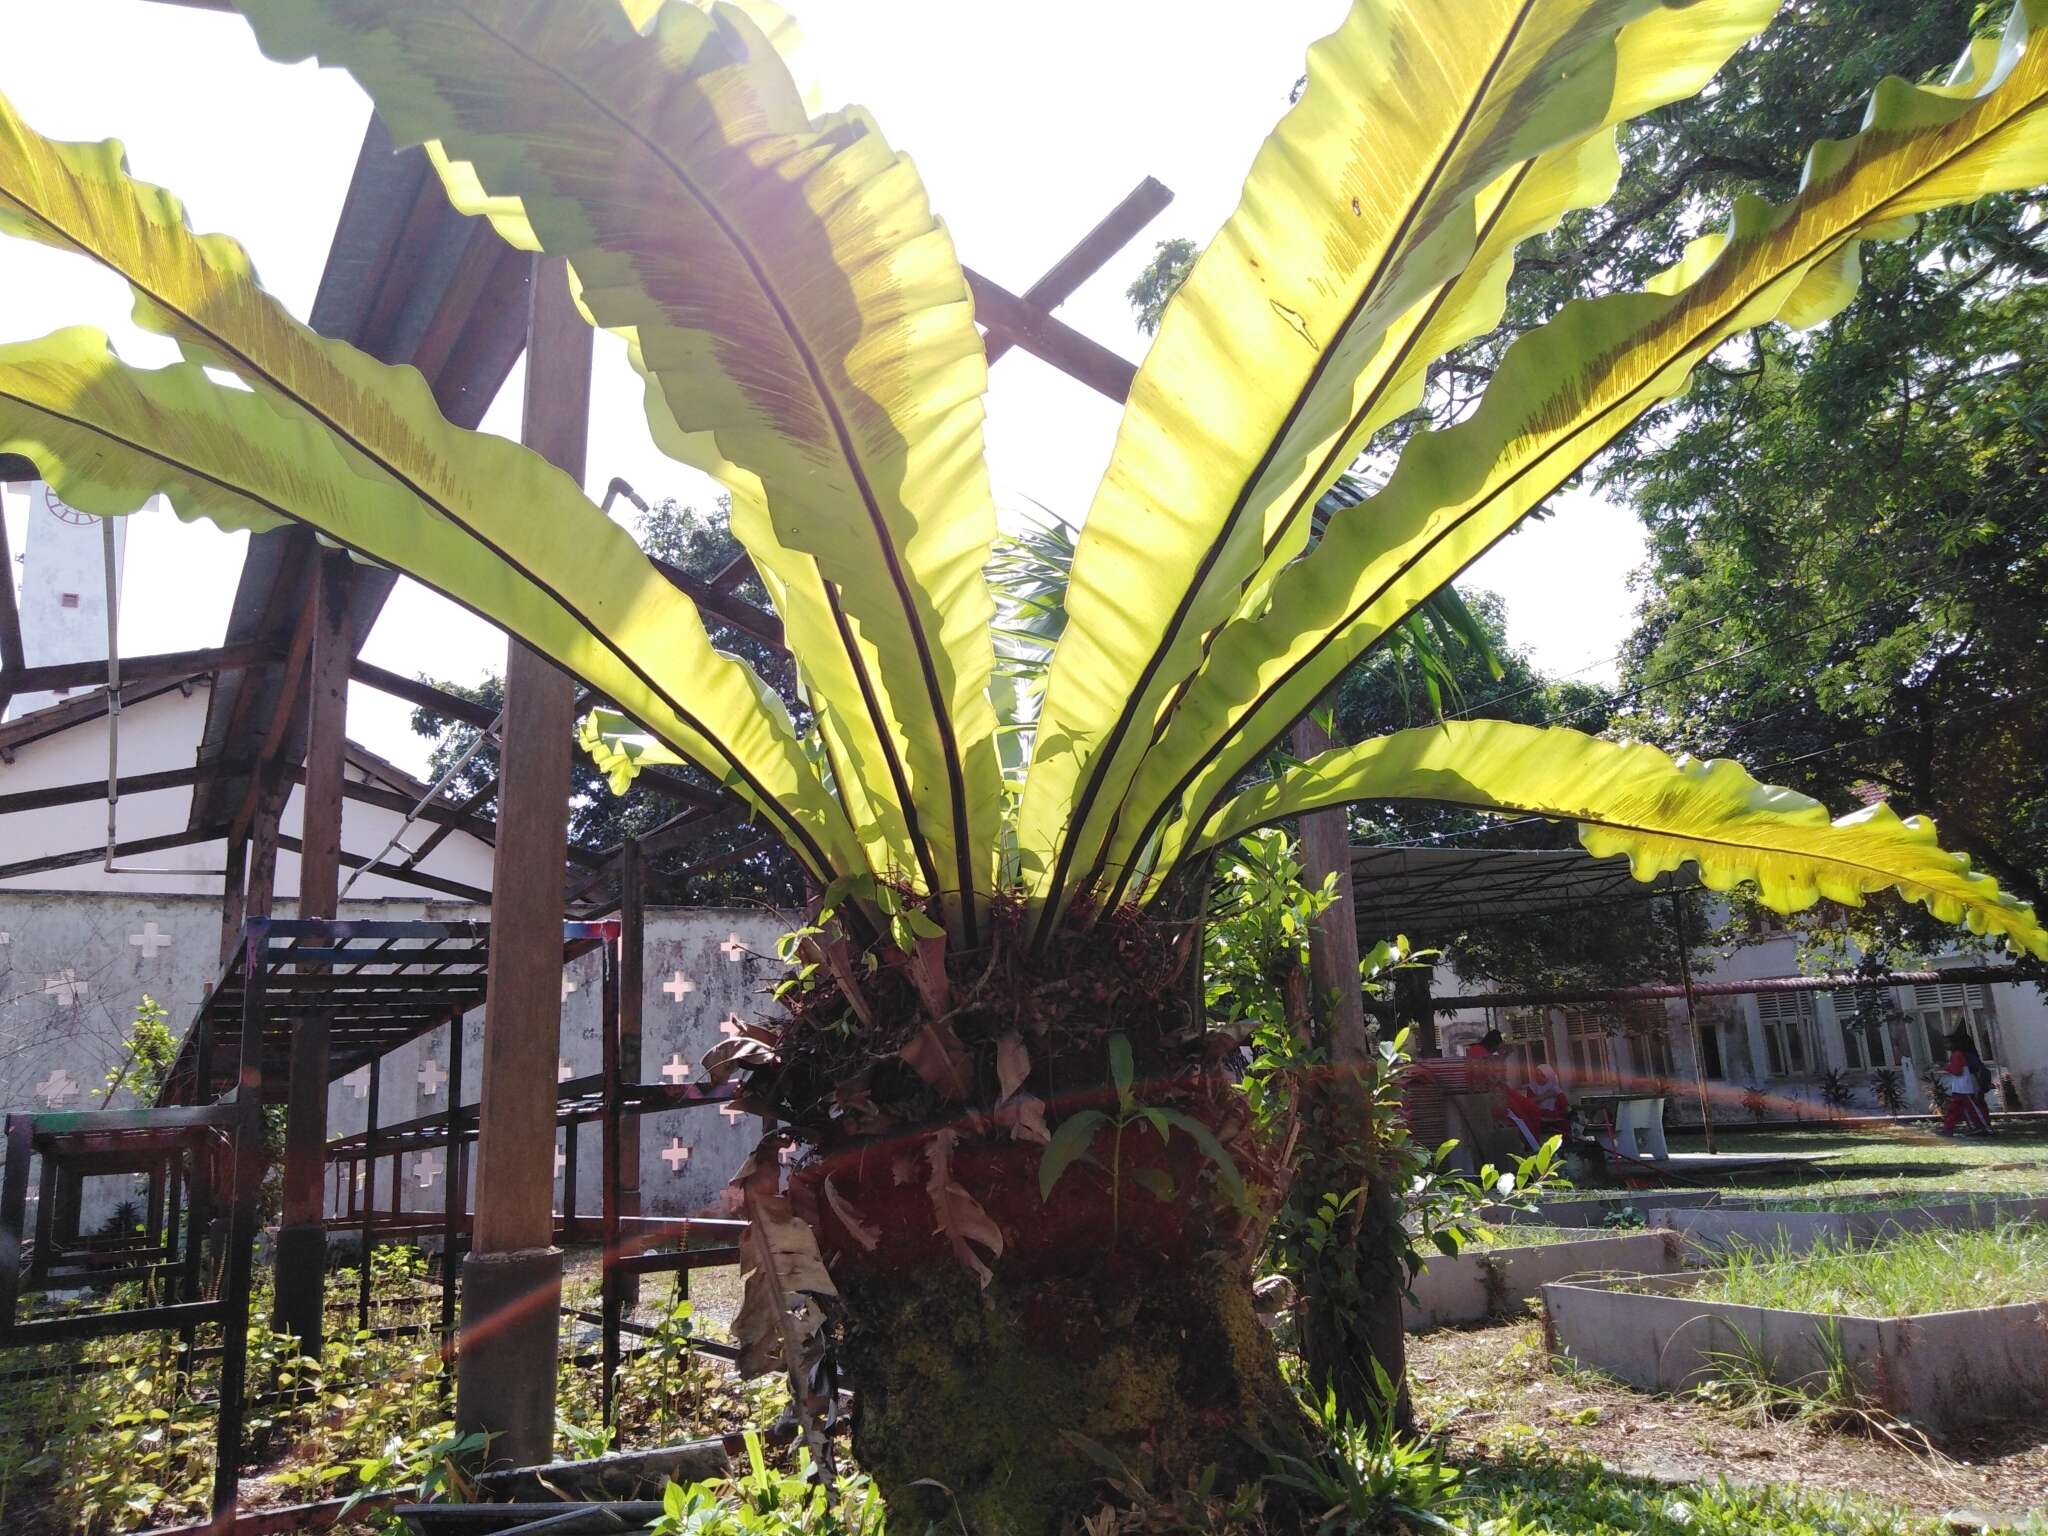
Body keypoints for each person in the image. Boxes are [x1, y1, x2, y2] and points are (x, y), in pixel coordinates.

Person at [1501, 1060, 1570, 1152]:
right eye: (1537, 1075)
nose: (1538, 1077)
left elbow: (1564, 1105)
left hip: (1555, 1115)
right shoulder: (1532, 1087)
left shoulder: (1555, 1088)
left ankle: (1566, 1147)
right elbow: (1528, 1103)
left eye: (1542, 1075)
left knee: (1564, 1125)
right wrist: (1545, 1096)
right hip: (1538, 1114)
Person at [1938, 1028, 1992, 1135]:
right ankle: (1948, 1129)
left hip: (1965, 1088)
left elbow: (1957, 1071)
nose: (1945, 1046)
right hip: (1960, 1088)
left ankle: (1983, 1128)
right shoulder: (1957, 1054)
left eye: (1947, 1043)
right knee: (1955, 1110)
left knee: (1972, 1109)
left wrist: (1945, 1067)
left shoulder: (1958, 1054)